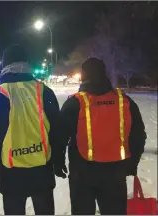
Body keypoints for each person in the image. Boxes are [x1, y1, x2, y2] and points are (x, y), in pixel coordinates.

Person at [0, 44, 66, 215]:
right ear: (26, 63)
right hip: (42, 171)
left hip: (12, 176)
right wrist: (58, 161)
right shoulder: (44, 91)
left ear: (5, 65)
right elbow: (57, 132)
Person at [59, 57, 147, 215]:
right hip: (115, 172)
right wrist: (132, 163)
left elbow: (59, 136)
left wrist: (57, 162)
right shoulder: (124, 101)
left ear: (84, 76)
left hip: (82, 173)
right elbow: (138, 135)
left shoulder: (75, 103)